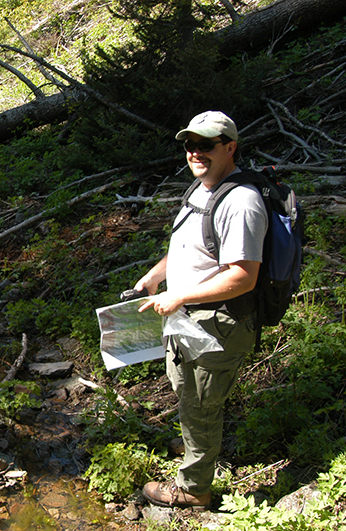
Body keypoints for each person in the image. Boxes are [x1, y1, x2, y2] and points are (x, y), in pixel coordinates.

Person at [134, 111, 268, 508]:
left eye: (206, 145)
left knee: (201, 404)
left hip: (218, 323)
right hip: (189, 316)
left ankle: (193, 490)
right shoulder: (202, 189)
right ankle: (198, 443)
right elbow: (188, 247)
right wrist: (157, 276)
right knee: (188, 393)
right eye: (190, 145)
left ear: (230, 147)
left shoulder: (241, 203)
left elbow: (243, 277)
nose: (195, 153)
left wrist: (180, 297)